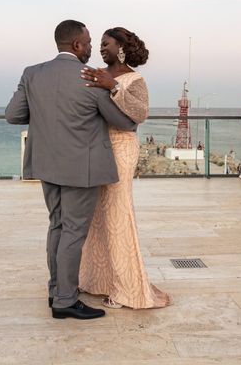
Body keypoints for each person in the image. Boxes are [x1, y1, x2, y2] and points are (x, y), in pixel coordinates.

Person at [5, 19, 137, 320]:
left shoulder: (32, 73)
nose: (92, 47)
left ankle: (55, 290)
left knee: (57, 226)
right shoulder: (91, 77)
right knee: (74, 232)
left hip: (46, 165)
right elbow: (125, 123)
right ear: (77, 45)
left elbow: (13, 115)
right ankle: (65, 300)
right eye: (89, 42)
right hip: (82, 169)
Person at [78, 27, 171, 309]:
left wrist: (113, 87)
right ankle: (99, 280)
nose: (100, 48)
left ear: (120, 47)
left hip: (120, 148)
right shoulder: (96, 73)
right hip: (94, 148)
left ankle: (127, 289)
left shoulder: (134, 79)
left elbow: (140, 113)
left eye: (106, 44)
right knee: (96, 216)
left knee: (118, 216)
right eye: (100, 44)